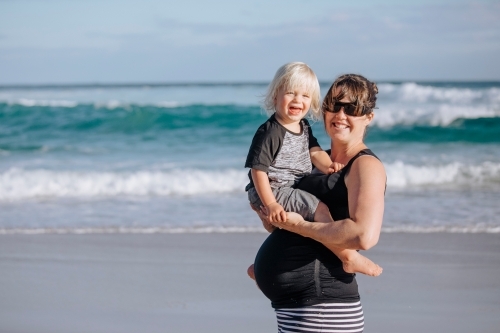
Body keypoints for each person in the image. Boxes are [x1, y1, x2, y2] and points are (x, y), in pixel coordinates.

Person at [251, 74, 386, 333]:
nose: (340, 115)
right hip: (296, 306)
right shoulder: (311, 162)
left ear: (368, 117)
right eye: (334, 106)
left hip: (324, 308)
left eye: (352, 109)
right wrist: (271, 219)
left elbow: (364, 236)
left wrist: (299, 226)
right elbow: (293, 225)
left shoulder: (365, 165)